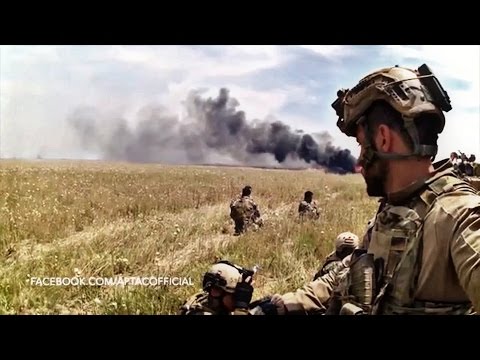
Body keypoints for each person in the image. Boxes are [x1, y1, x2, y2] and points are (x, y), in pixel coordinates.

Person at [267, 63, 480, 315]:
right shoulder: (393, 211)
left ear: (383, 139)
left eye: (360, 143)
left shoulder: (459, 216)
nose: (359, 160)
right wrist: (283, 305)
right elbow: (342, 274)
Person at [178, 260, 254, 315]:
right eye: (236, 296)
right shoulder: (201, 313)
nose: (238, 301)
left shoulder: (212, 304)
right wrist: (241, 309)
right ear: (216, 292)